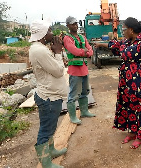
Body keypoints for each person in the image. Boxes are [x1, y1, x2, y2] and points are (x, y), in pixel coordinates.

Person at [96, 17, 141, 149]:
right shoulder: (126, 42)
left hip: (140, 84)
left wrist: (139, 78)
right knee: (128, 106)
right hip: (125, 82)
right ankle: (132, 131)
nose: (122, 31)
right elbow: (114, 46)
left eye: (124, 29)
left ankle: (140, 135)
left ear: (130, 30)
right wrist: (100, 44)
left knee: (140, 109)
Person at [29, 20, 67, 168]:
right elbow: (58, 71)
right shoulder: (40, 50)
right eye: (50, 30)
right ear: (43, 34)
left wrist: (56, 54)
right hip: (49, 97)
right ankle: (46, 162)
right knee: (46, 129)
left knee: (50, 126)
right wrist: (57, 53)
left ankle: (50, 151)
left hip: (51, 95)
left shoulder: (40, 49)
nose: (52, 33)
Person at [63, 16, 96, 124]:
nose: (75, 26)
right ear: (68, 25)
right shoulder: (67, 38)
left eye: (76, 23)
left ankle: (84, 111)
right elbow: (75, 51)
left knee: (85, 91)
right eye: (72, 24)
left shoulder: (82, 37)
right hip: (75, 70)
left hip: (84, 68)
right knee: (73, 94)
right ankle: (72, 117)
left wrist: (87, 51)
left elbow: (90, 50)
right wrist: (85, 51)